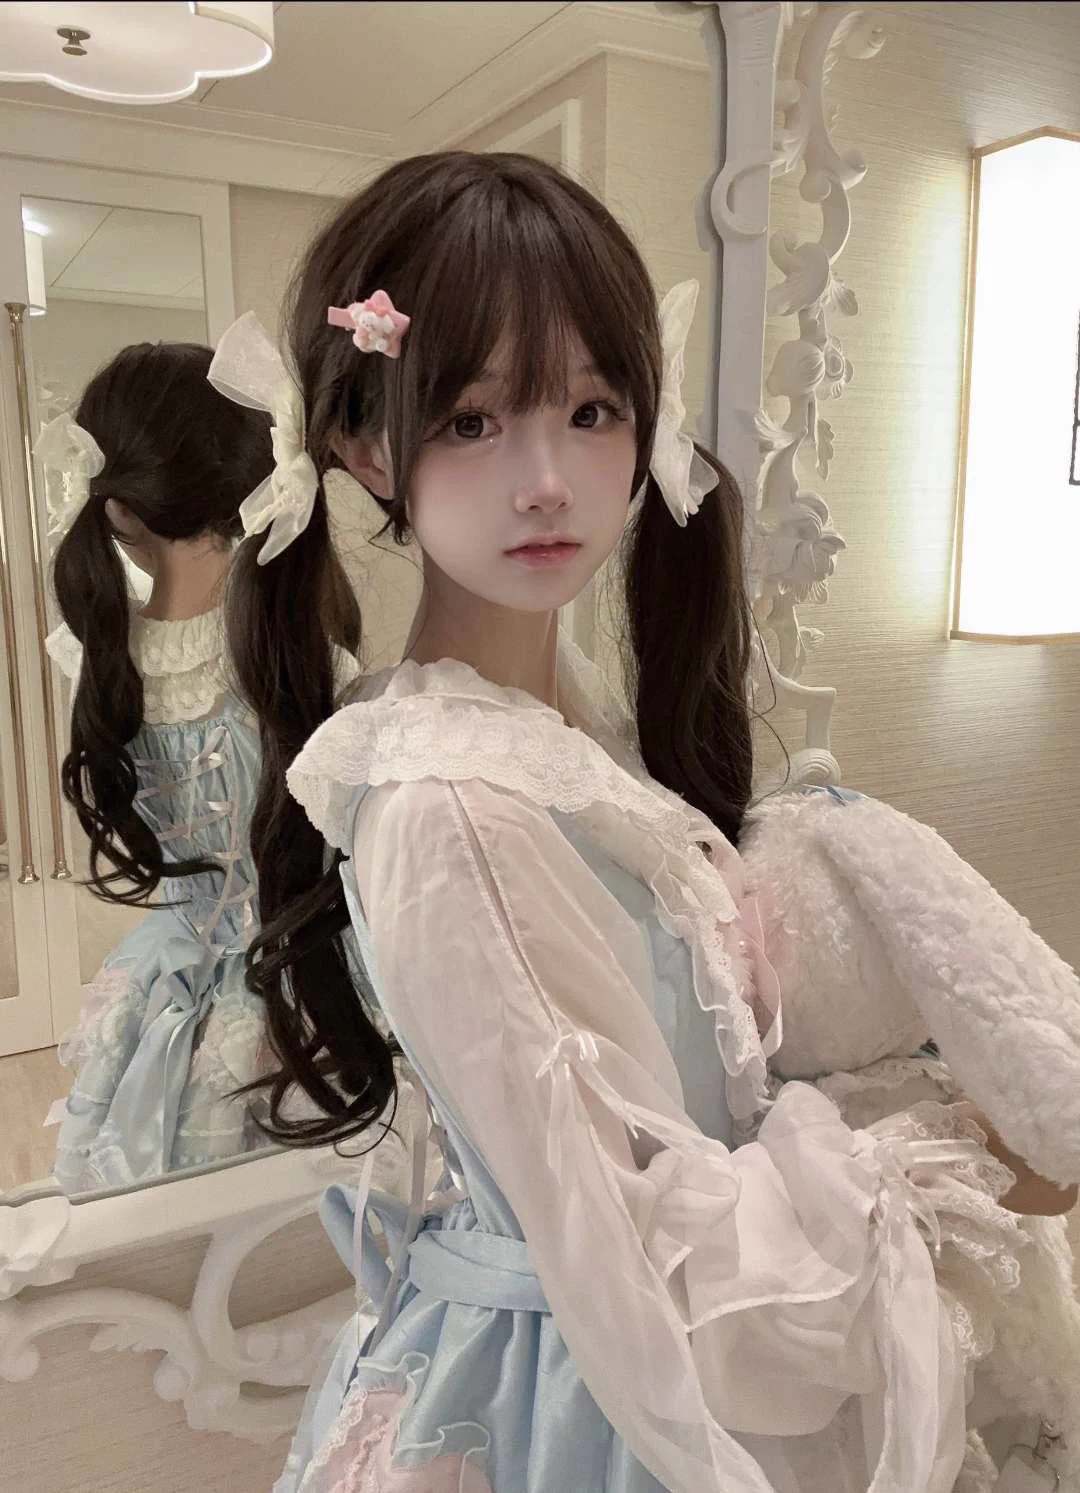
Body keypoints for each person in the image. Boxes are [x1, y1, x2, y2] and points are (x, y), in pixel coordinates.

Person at [215, 152, 1080, 1492]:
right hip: (601, 1397)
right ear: (367, 444)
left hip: (606, 1359)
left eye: (591, 408)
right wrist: (959, 1153)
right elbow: (654, 1262)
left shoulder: (561, 735)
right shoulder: (452, 805)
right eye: (471, 420)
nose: (547, 479)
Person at [39, 341, 363, 1191]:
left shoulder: (98, 656)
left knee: (175, 1202)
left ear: (120, 510)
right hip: (303, 976)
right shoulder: (295, 653)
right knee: (300, 1212)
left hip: (171, 972)